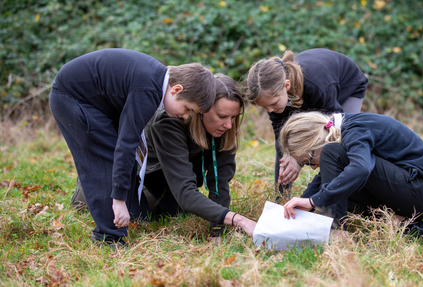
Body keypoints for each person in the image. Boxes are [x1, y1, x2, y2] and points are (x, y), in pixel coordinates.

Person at [49, 48, 216, 246]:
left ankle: (122, 218)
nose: (186, 116)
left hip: (94, 103)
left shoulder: (155, 82)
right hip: (72, 98)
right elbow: (125, 144)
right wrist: (118, 200)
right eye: (188, 109)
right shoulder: (148, 90)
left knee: (121, 159)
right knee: (107, 159)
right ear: (176, 89)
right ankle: (107, 237)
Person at [279, 112, 423, 239]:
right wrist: (295, 214)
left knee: (334, 157)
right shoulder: (338, 131)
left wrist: (313, 201)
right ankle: (404, 224)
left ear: (317, 141)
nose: (313, 167)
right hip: (412, 192)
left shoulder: (354, 129)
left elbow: (362, 169)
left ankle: (338, 236)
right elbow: (325, 181)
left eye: (308, 161)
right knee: (335, 187)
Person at [143, 74, 257, 236]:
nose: (229, 124)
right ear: (201, 109)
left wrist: (217, 228)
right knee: (142, 217)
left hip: (180, 176)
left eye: (234, 117)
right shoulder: (170, 122)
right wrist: (239, 220)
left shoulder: (224, 127)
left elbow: (219, 183)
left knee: (186, 211)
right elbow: (185, 194)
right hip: (147, 176)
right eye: (222, 116)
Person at [245, 48, 369, 197]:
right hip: (305, 91)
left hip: (347, 87)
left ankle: (333, 196)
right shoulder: (274, 99)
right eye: (265, 107)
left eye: (273, 104)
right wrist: (289, 154)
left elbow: (334, 129)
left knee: (337, 144)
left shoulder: (317, 86)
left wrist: (298, 160)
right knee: (284, 147)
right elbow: (281, 139)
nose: (270, 111)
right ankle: (281, 198)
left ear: (287, 85)